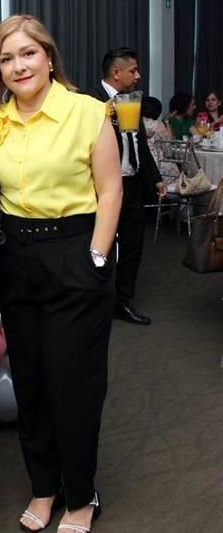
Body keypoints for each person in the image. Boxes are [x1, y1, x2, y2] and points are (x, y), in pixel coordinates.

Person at [0, 15, 122, 533]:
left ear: (49, 56)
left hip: (75, 251)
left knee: (73, 383)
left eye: (27, 54)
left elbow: (110, 192)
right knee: (32, 383)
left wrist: (96, 259)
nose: (19, 66)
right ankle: (44, 486)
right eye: (7, 59)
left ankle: (82, 493)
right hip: (14, 257)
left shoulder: (87, 112)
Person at [95, 48, 166, 326]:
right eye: (133, 70)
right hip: (102, 187)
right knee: (100, 247)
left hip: (133, 184)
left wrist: (155, 178)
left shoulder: (131, 100)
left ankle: (123, 302)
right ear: (117, 73)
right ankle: (97, 302)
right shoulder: (90, 101)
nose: (138, 76)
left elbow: (139, 144)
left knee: (133, 245)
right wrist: (102, 113)